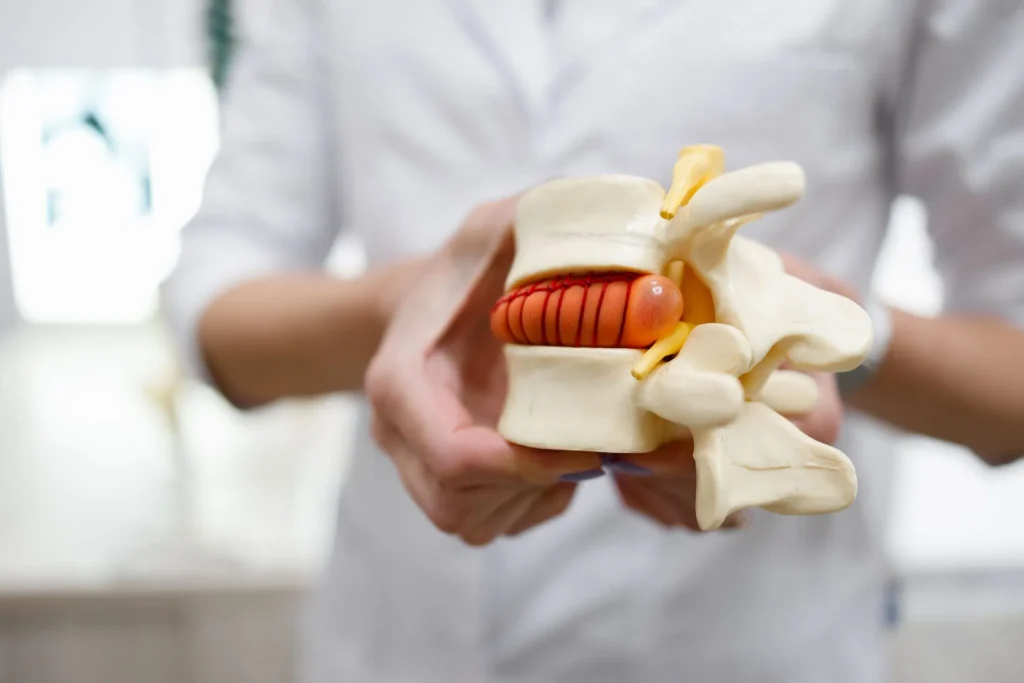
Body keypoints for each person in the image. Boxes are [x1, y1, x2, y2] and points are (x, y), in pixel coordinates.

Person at [162, 2, 1024, 681]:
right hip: (402, 640)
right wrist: (396, 308)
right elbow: (216, 294)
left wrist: (819, 325)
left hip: (751, 647)